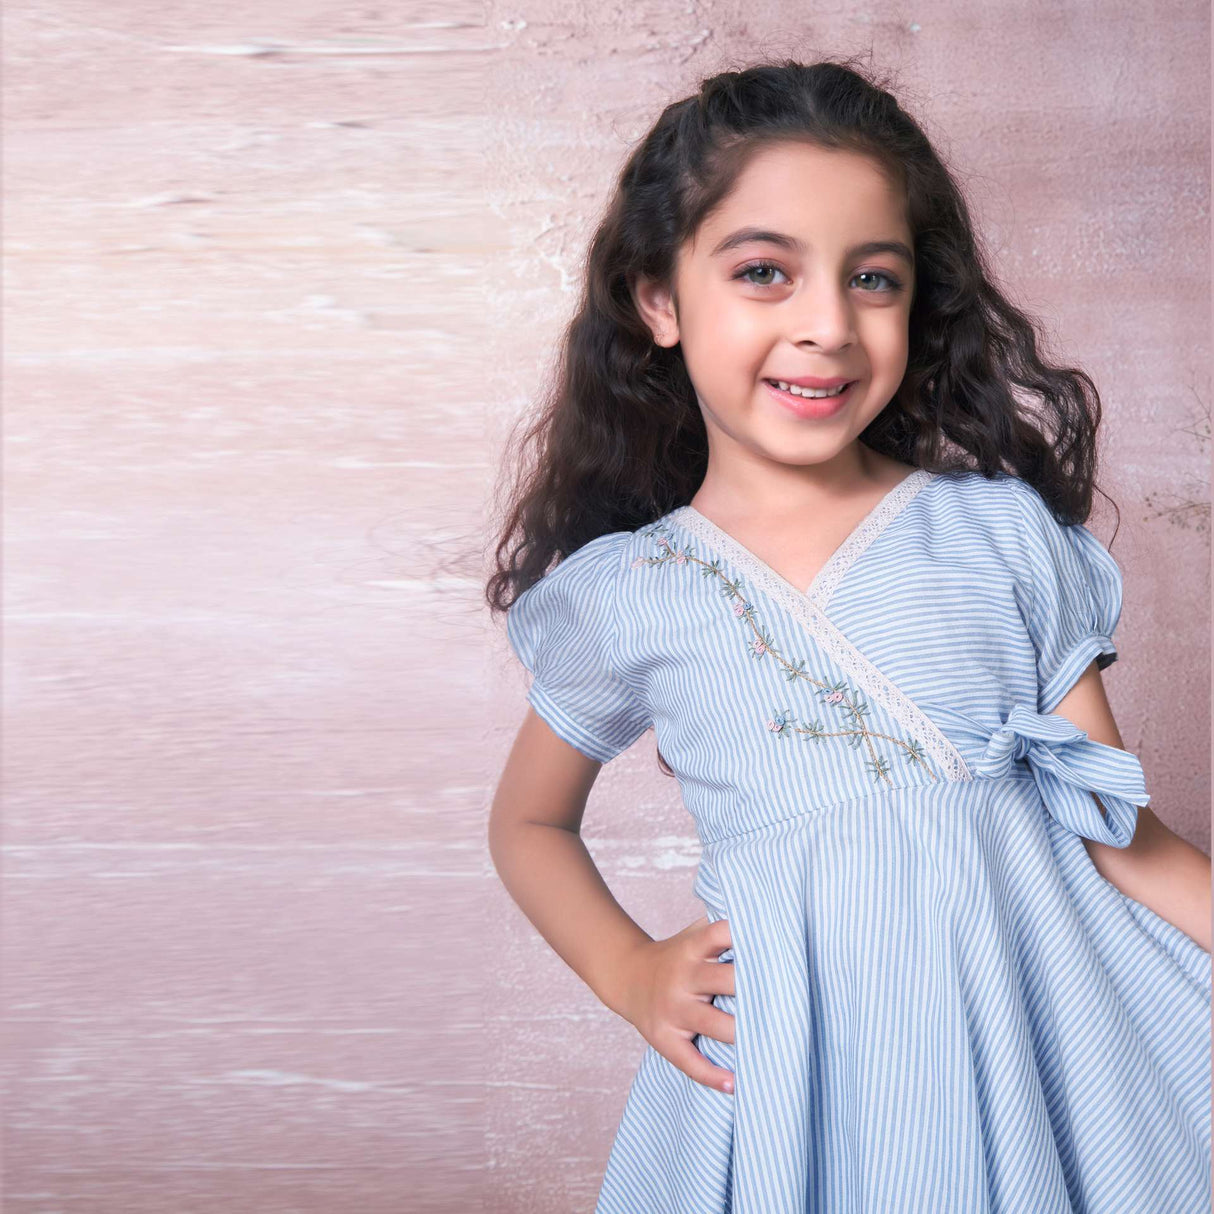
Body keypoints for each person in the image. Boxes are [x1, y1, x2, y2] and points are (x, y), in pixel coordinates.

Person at [484, 55, 1212, 1213]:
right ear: (657, 300)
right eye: (763, 272)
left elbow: (1123, 838)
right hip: (798, 1071)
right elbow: (526, 820)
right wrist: (629, 972)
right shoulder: (627, 588)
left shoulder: (999, 533)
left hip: (1033, 1047)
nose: (824, 325)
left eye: (871, 278)